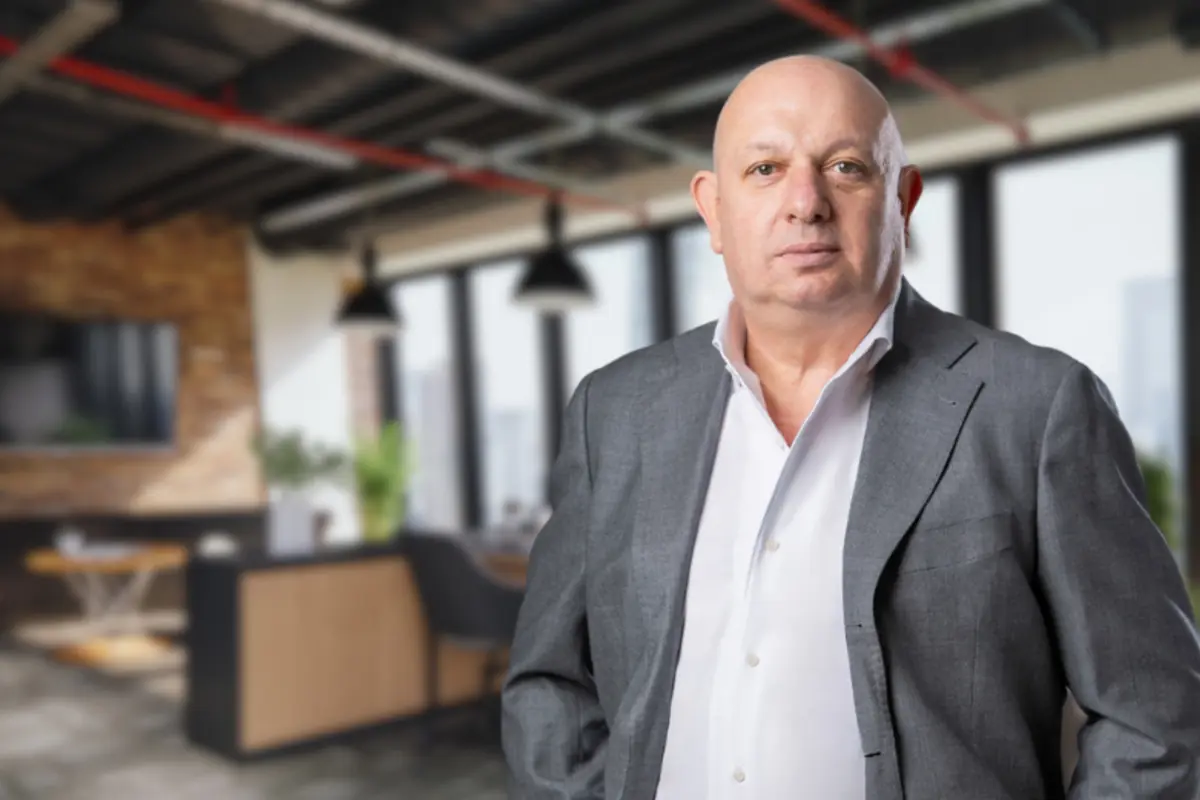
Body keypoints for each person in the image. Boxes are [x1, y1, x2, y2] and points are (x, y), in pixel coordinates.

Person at [501, 55, 1200, 799]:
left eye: (844, 167)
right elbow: (548, 680)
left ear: (904, 197)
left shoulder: (1039, 408)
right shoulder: (614, 413)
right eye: (765, 169)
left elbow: (1153, 717)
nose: (805, 202)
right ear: (712, 210)